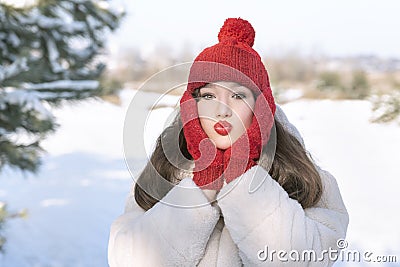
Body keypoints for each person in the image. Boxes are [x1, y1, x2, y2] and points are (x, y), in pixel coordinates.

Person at [108, 18, 349, 266]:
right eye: (209, 95)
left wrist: (243, 178)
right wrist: (203, 186)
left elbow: (303, 259)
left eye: (238, 95)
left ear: (261, 106)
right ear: (192, 106)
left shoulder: (303, 176)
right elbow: (129, 259)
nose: (222, 110)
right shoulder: (163, 171)